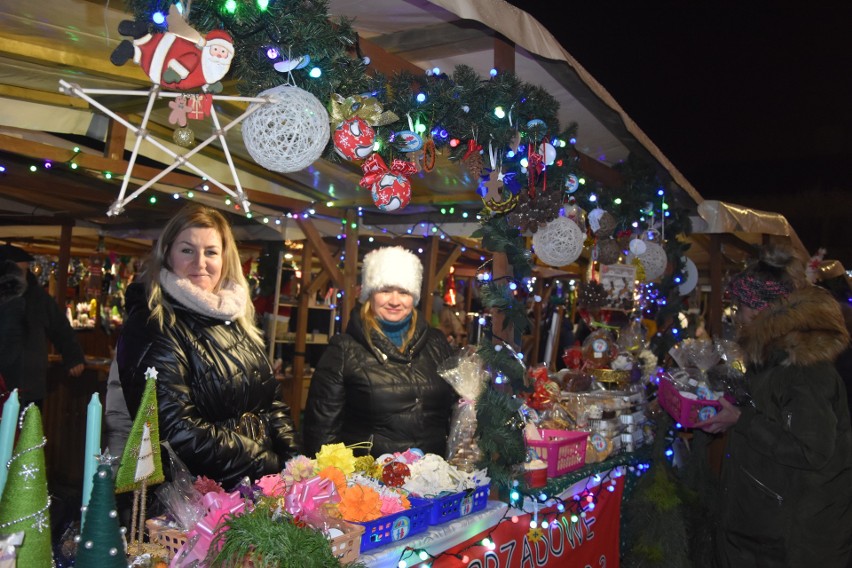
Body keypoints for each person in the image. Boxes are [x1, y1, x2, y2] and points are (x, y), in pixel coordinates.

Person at [111, 205, 299, 489]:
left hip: (255, 487)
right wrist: (267, 462)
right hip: (192, 498)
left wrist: (293, 460)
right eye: (187, 250)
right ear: (167, 255)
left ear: (225, 258)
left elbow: (272, 403)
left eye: (211, 252)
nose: (200, 263)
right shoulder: (155, 324)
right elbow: (176, 430)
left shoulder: (235, 318)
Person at [696, 244, 852, 567]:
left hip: (789, 542)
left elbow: (812, 450)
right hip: (762, 529)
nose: (737, 316)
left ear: (762, 310)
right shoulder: (773, 356)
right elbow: (771, 413)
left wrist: (742, 418)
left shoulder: (804, 365)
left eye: (741, 307)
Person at [302, 246, 458, 458]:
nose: (394, 301)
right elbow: (320, 433)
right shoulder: (344, 350)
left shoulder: (437, 344)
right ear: (370, 294)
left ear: (414, 296)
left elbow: (456, 413)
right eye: (385, 291)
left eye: (403, 292)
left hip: (434, 483)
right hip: (369, 484)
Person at [0, 244, 85, 407]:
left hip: (30, 385)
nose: (22, 276)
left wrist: (73, 355)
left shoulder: (37, 297)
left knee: (29, 431)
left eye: (25, 271)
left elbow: (60, 327)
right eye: (17, 271)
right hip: (3, 383)